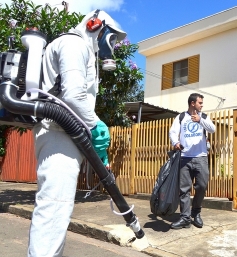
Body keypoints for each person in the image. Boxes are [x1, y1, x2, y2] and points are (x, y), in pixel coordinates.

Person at [28, 10, 126, 257]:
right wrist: (96, 124)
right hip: (57, 132)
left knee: (58, 211)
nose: (112, 46)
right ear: (95, 26)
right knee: (54, 209)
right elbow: (72, 96)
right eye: (111, 38)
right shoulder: (74, 44)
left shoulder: (81, 50)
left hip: (62, 133)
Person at [169, 93, 215, 229]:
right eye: (200, 103)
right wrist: (175, 142)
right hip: (184, 158)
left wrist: (200, 120)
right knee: (184, 189)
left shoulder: (204, 117)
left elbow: (213, 129)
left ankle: (196, 213)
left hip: (201, 157)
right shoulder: (181, 117)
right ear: (192, 103)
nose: (202, 105)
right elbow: (172, 132)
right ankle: (184, 217)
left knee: (201, 186)